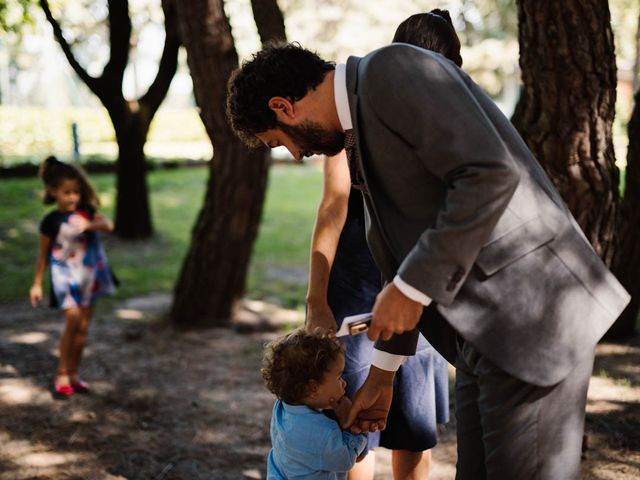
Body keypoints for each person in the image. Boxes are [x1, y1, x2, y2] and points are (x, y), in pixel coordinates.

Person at [226, 38, 631, 479]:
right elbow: (399, 247)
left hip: (530, 318)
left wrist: (410, 287)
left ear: (284, 106)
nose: (297, 154)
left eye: (279, 142)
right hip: (475, 335)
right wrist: (381, 378)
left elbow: (490, 174)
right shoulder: (355, 130)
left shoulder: (392, 69)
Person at [306, 10, 459, 479]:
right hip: (356, 285)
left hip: (417, 285)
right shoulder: (354, 120)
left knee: (412, 427)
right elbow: (334, 205)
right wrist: (317, 298)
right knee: (357, 427)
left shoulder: (445, 123)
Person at [29, 156, 117, 397]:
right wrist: (37, 283)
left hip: (90, 276)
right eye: (67, 192)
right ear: (53, 191)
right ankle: (62, 373)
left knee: (84, 326)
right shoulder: (51, 222)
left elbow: (109, 225)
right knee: (73, 319)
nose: (72, 197)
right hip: (65, 277)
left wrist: (89, 225)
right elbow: (43, 255)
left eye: (76, 192)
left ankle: (75, 373)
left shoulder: (86, 212)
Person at [261, 327, 367, 479]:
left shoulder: (281, 407)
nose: (344, 383)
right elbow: (345, 461)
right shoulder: (322, 432)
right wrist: (351, 427)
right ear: (313, 388)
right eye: (338, 377)